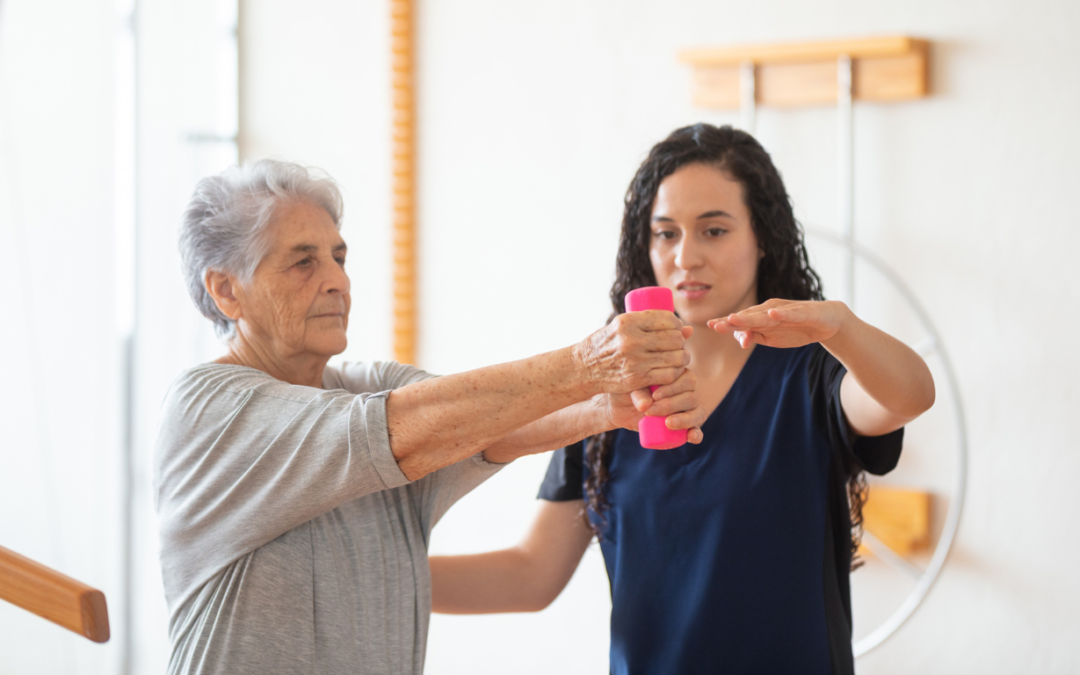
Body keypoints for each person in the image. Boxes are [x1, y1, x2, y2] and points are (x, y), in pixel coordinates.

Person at [154, 158, 708, 675]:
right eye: (304, 261)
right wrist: (589, 365)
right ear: (227, 290)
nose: (338, 281)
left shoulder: (370, 387)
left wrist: (604, 408)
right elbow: (394, 432)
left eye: (339, 258)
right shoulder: (207, 408)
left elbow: (480, 427)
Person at [428, 124, 936, 675]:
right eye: (666, 234)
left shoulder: (811, 377)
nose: (685, 257)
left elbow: (909, 395)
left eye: (714, 231)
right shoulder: (612, 399)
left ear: (761, 237)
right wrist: (374, 571)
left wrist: (840, 325)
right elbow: (530, 574)